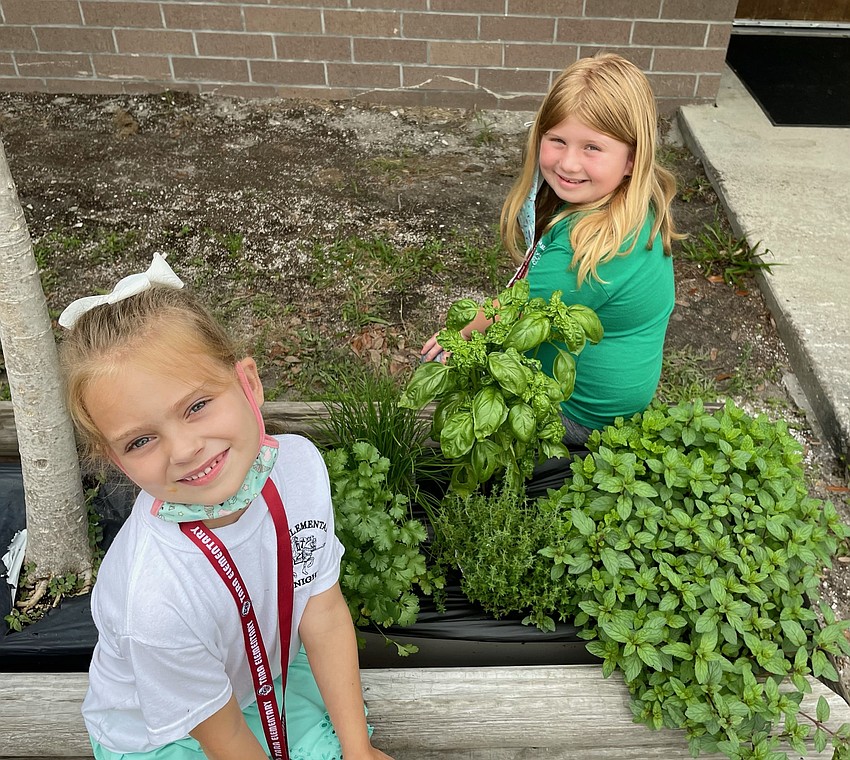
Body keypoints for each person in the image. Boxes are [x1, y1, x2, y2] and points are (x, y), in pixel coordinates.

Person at [58, 254, 393, 760]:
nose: (185, 449)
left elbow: (321, 611)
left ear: (248, 384)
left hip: (266, 668)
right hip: (170, 732)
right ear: (115, 459)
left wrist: (359, 749)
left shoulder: (299, 467)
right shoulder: (153, 601)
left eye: (196, 406)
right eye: (140, 440)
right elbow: (224, 739)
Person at [422, 53, 681, 446]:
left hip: (579, 413)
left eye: (592, 147)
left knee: (441, 419)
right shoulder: (622, 205)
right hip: (603, 393)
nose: (568, 163)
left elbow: (512, 312)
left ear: (632, 158)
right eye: (557, 140)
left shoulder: (597, 251)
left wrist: (457, 337)